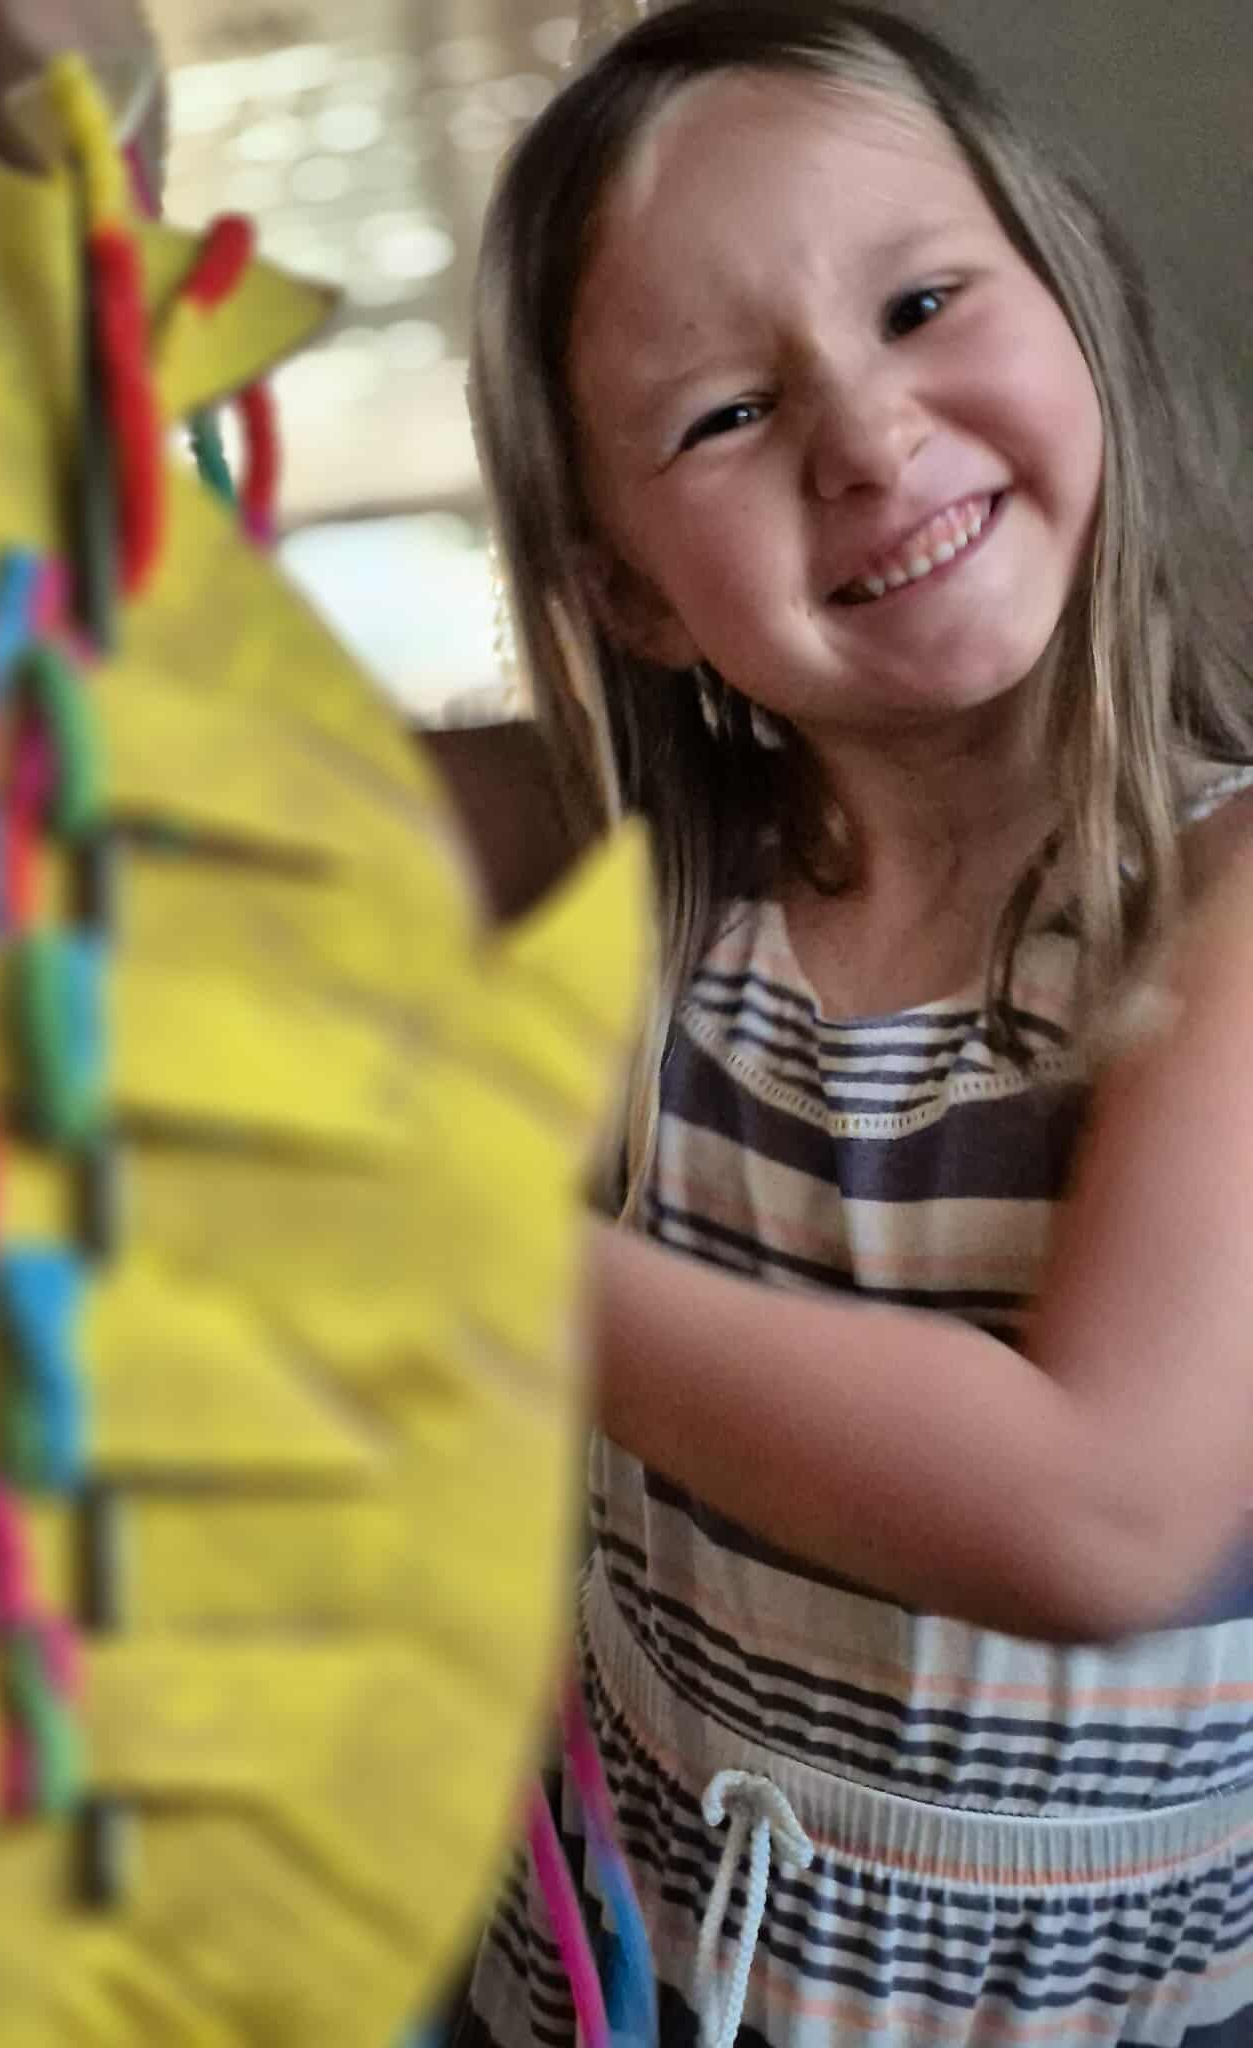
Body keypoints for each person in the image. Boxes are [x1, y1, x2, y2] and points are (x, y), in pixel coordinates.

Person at [455, 3, 1253, 2044]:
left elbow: (1104, 1513)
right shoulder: (648, 871)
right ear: (630, 591)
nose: (870, 437)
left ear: (1071, 299)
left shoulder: (1231, 899)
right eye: (725, 413)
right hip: (609, 1972)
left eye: (918, 304)